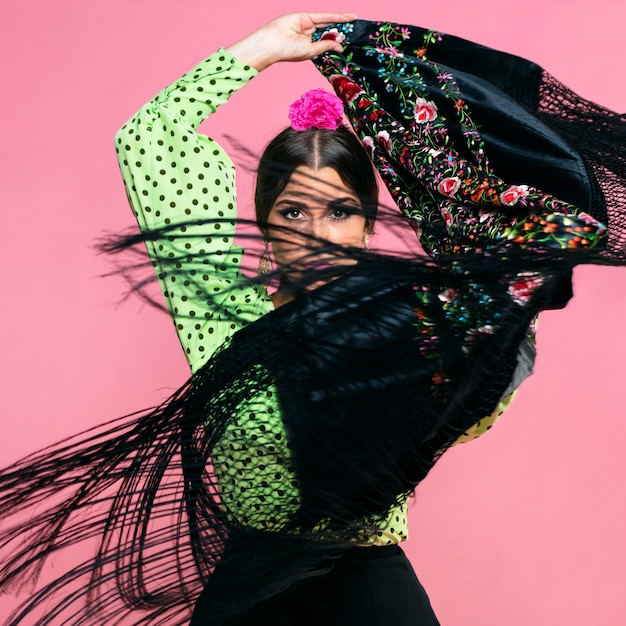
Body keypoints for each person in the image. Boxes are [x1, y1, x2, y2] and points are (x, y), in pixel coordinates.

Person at [1, 11, 624, 626]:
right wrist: (262, 47)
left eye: (339, 212)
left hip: (366, 580)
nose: (318, 235)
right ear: (265, 220)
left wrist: (502, 326)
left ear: (368, 225)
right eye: (295, 212)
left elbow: (469, 414)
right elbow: (149, 139)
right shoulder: (219, 310)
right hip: (252, 585)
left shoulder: (406, 329)